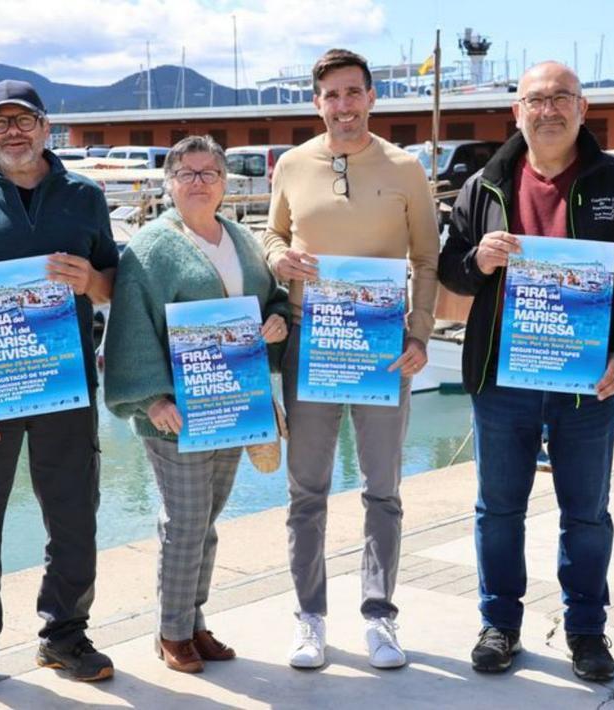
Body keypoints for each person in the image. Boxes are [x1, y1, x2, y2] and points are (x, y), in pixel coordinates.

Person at [438, 61, 614, 681]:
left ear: (583, 108)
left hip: (589, 379)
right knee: (497, 509)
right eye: (536, 99)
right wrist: (479, 260)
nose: (549, 109)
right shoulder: (483, 185)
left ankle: (587, 630)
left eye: (562, 97)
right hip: (502, 377)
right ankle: (500, 624)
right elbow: (450, 270)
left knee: (586, 512)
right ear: (518, 111)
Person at [0, 79, 118, 699]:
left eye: (24, 120)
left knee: (73, 516)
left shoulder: (86, 196)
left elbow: (114, 284)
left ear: (45, 127)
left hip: (67, 388)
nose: (13, 131)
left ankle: (65, 635)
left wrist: (91, 279)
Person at [263, 48, 439, 670]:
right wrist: (276, 260)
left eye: (353, 93)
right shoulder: (291, 164)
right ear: (318, 103)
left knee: (382, 491)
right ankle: (309, 618)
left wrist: (419, 334)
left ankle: (379, 618)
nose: (343, 106)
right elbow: (272, 234)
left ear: (371, 97)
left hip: (385, 347)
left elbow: (426, 260)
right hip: (311, 342)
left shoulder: (406, 168)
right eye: (331, 96)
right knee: (305, 493)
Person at [103, 135, 289, 674]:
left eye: (210, 172)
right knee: (184, 521)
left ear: (226, 183)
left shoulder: (241, 239)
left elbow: (268, 296)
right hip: (176, 414)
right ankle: (171, 632)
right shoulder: (150, 248)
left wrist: (275, 319)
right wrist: (151, 399)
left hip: (234, 403)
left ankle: (194, 621)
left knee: (206, 520)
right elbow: (130, 326)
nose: (199, 182)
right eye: (186, 172)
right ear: (169, 184)